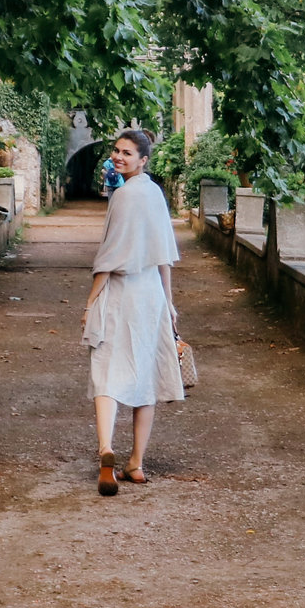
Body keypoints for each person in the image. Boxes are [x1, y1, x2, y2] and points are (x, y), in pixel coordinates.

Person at [84, 128, 182, 494]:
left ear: (143, 160)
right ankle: (136, 464)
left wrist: (91, 299)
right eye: (116, 151)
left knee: (106, 371)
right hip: (151, 294)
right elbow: (165, 255)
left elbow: (108, 258)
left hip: (122, 292)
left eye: (127, 153)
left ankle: (107, 448)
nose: (118, 157)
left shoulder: (123, 196)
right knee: (144, 378)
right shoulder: (155, 194)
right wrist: (169, 304)